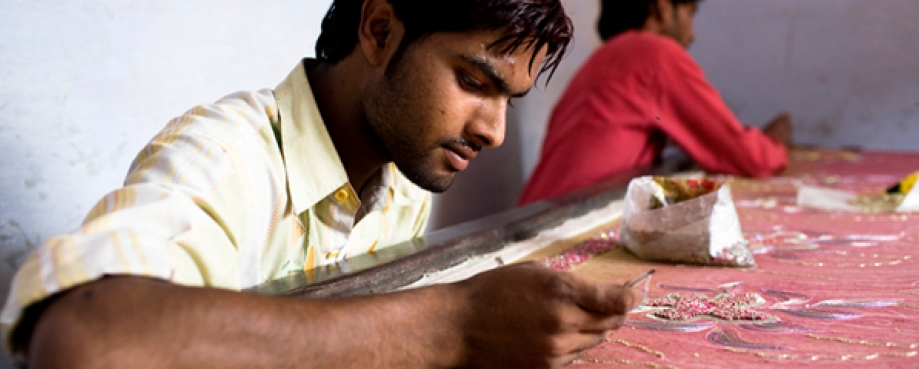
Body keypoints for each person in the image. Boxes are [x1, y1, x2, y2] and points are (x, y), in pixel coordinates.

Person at [1, 0, 644, 368]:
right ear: (380, 31)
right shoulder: (225, 157)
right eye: (474, 82)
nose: (495, 131)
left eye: (511, 99)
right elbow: (88, 339)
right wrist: (457, 323)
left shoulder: (400, 182)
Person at [518, 0, 793, 206]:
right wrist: (775, 142)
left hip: (536, 211)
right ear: (662, 8)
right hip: (563, 222)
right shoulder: (655, 53)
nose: (692, 33)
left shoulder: (607, 57)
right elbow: (747, 157)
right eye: (689, 13)